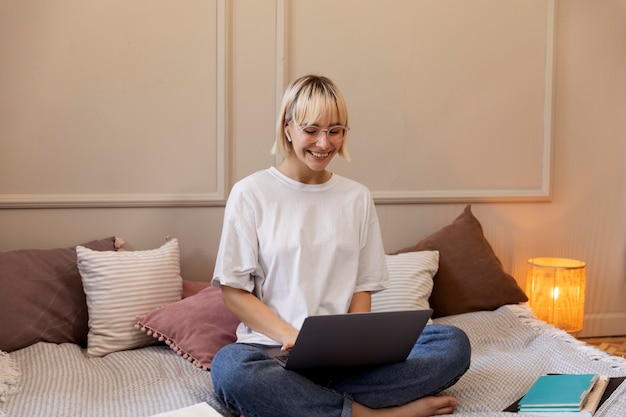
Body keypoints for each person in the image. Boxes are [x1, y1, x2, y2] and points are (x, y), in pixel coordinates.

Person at [211, 75, 471, 417]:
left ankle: (302, 405)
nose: (324, 143)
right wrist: (293, 335)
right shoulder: (251, 194)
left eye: (335, 131)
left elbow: (362, 288)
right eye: (312, 129)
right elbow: (234, 292)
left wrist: (353, 348)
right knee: (230, 369)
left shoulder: (356, 198)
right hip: (273, 355)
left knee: (453, 344)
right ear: (287, 128)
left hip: (343, 364)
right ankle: (375, 414)